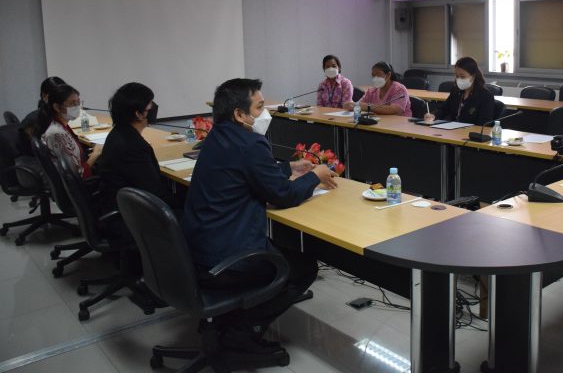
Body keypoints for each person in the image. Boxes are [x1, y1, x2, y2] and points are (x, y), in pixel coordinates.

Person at [181, 78, 337, 356]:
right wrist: (316, 175)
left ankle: (227, 320)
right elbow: (283, 195)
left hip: (197, 250)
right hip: (226, 259)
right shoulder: (251, 143)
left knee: (285, 251)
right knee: (302, 267)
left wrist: (289, 165)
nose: (265, 114)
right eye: (260, 107)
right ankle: (240, 332)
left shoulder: (217, 136)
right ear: (240, 114)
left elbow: (246, 168)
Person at [98, 83, 174, 213]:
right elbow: (155, 193)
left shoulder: (118, 132)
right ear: (139, 114)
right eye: (150, 104)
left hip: (121, 204)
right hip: (136, 216)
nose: (154, 107)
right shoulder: (133, 146)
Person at [35, 84, 100, 178]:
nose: (78, 107)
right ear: (57, 107)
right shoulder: (56, 133)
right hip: (82, 185)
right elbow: (77, 174)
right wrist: (96, 153)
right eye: (73, 103)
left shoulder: (62, 125)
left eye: (78, 102)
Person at [424, 56, 494, 125]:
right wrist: (433, 115)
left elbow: (484, 123)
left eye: (463, 76)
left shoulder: (486, 96)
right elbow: (444, 109)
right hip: (453, 131)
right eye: (457, 76)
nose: (459, 79)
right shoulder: (455, 91)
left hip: (470, 133)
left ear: (473, 76)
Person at [343, 61, 411, 117]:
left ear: (388, 75)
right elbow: (359, 105)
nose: (375, 78)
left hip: (399, 126)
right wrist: (351, 105)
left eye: (378, 74)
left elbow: (396, 111)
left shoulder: (399, 89)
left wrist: (368, 107)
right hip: (378, 124)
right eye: (373, 75)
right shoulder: (371, 91)